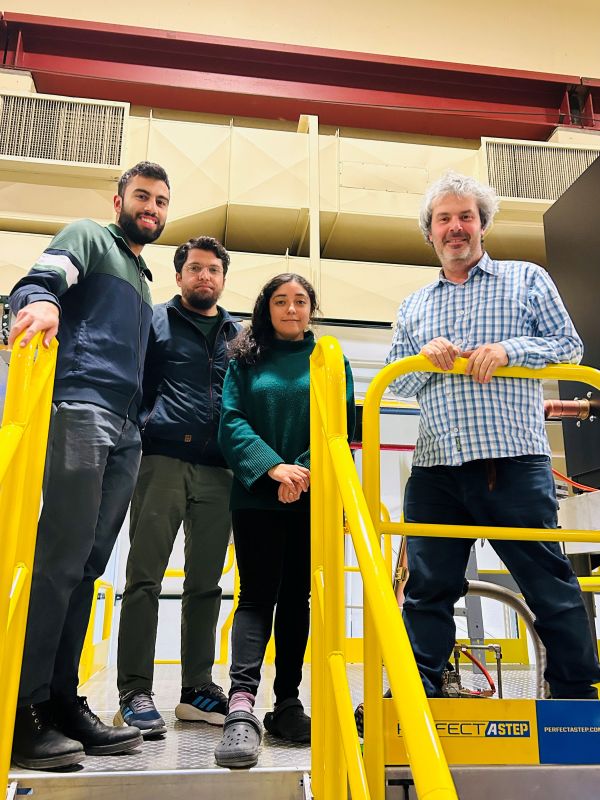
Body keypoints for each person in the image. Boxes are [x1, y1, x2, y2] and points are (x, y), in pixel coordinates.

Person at [381, 171, 600, 704]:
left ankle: (577, 695)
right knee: (427, 588)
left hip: (513, 462)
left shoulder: (526, 279)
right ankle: (418, 694)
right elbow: (397, 381)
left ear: (483, 225)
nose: (455, 227)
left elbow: (567, 345)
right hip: (436, 467)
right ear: (430, 233)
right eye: (444, 219)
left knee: (546, 580)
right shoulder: (414, 306)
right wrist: (422, 358)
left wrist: (508, 351)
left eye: (466, 217)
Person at [8, 161, 171, 769]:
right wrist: (42, 303)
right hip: (81, 407)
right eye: (141, 197)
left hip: (125, 427)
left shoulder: (143, 278)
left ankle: (59, 699)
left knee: (89, 567)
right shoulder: (90, 237)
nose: (151, 208)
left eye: (160, 201)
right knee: (60, 560)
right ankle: (22, 709)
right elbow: (42, 277)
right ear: (118, 201)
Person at [214, 274, 355, 769]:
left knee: (297, 599)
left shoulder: (330, 359)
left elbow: (341, 425)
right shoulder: (245, 359)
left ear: (311, 308)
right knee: (256, 597)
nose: (291, 309)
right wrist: (273, 467)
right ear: (266, 308)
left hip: (312, 495)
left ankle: (288, 704)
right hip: (257, 494)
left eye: (300, 301)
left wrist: (303, 471)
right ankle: (241, 706)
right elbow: (231, 420)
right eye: (281, 301)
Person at [113, 236, 240, 737]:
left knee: (206, 585)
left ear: (222, 278)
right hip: (162, 460)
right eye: (195, 268)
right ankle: (134, 690)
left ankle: (196, 690)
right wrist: (142, 429)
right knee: (143, 579)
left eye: (213, 270)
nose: (204, 276)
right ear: (179, 275)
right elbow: (133, 380)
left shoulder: (237, 335)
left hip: (219, 470)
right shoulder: (155, 320)